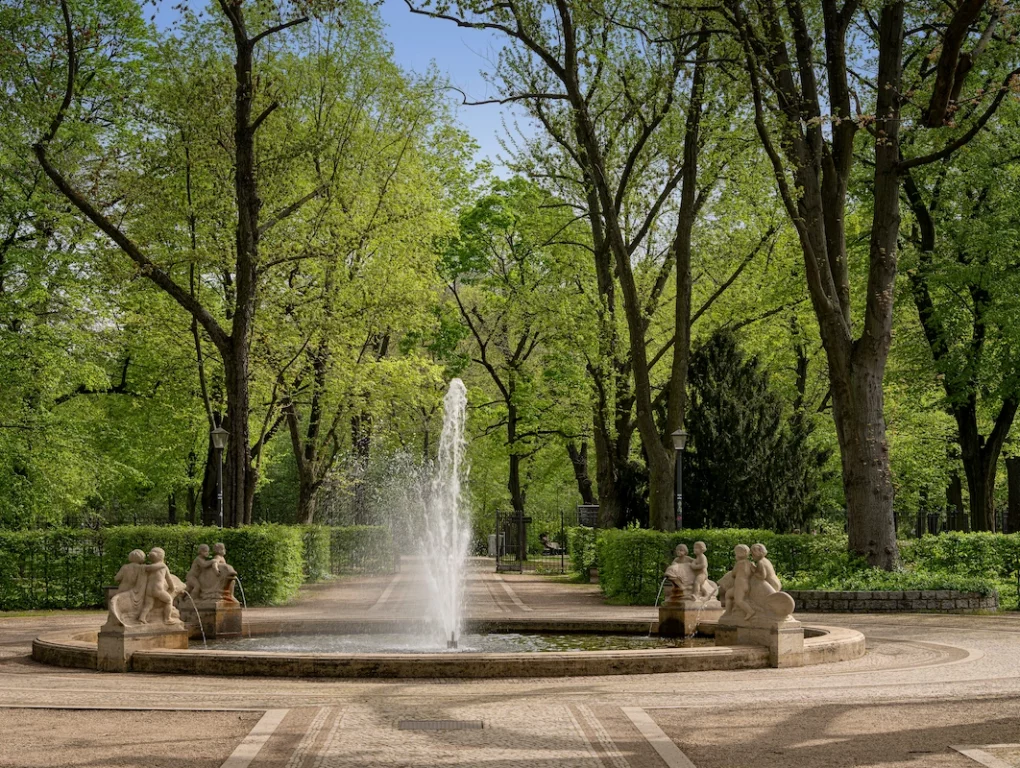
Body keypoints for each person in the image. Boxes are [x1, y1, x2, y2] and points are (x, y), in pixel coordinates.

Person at [139, 547, 178, 624]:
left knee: (148, 605)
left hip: (149, 590)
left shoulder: (148, 567)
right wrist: (172, 588)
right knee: (169, 600)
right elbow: (169, 579)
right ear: (162, 556)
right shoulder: (163, 566)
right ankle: (167, 619)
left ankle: (142, 617)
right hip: (158, 589)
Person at [726, 544, 756, 620]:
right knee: (728, 594)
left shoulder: (739, 563)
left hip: (740, 585)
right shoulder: (749, 563)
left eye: (736, 553)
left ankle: (750, 611)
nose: (735, 554)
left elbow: (733, 574)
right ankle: (728, 612)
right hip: (746, 585)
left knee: (739, 600)